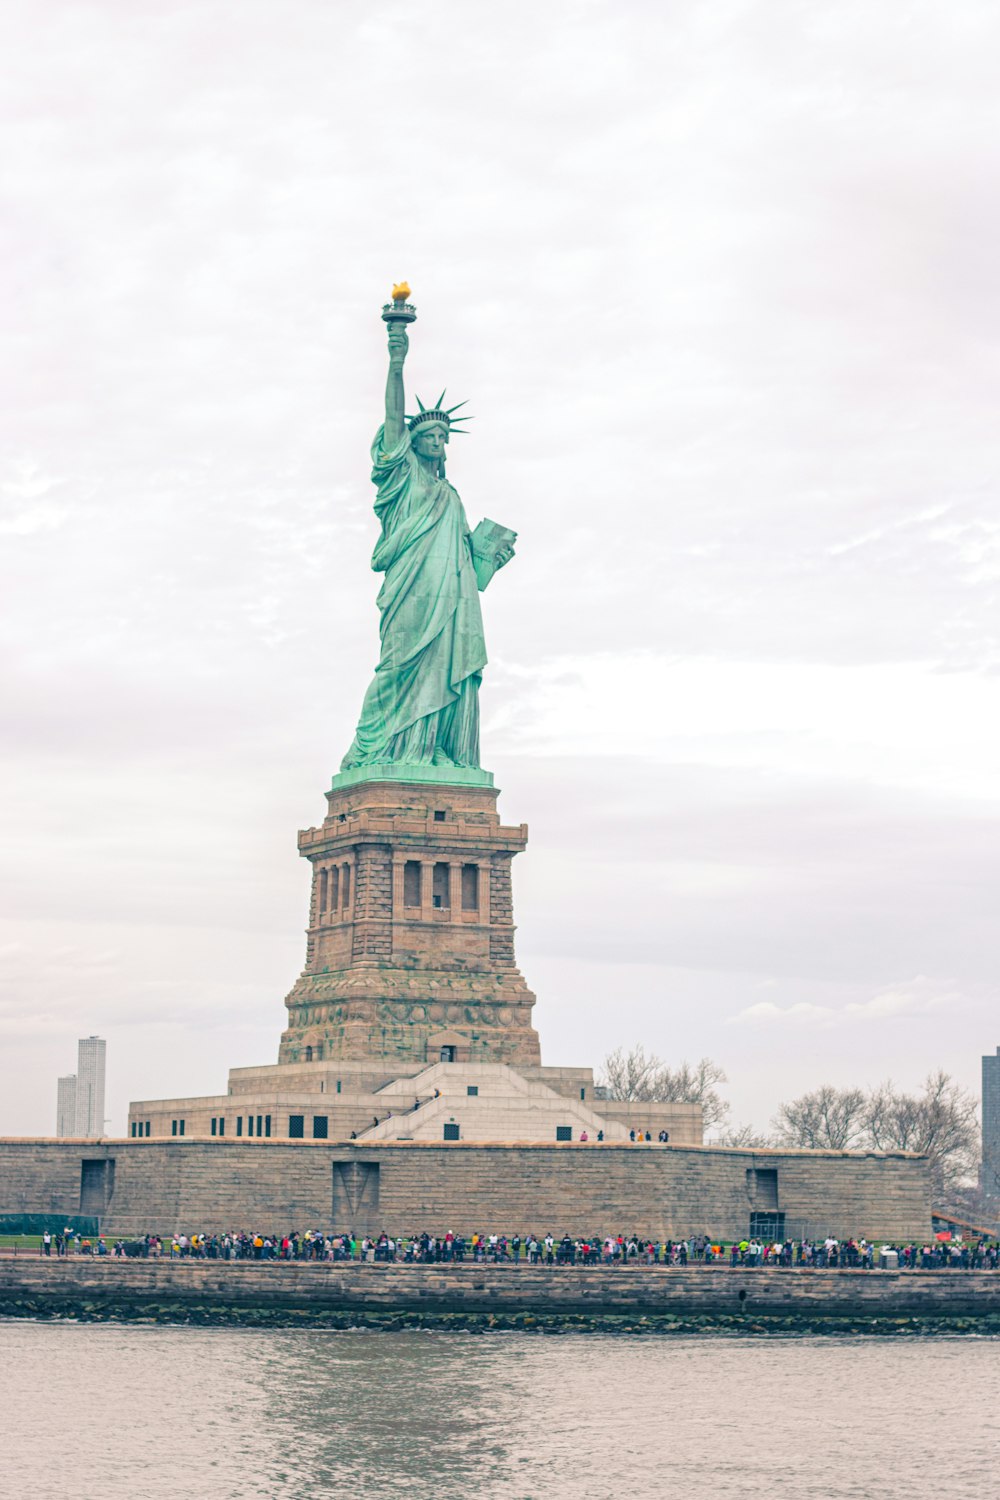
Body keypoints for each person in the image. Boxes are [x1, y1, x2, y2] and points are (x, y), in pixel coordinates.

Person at [340, 312, 514, 772]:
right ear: (412, 443)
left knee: (444, 666)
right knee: (399, 667)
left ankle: (433, 748)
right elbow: (392, 417)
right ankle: (383, 749)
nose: (437, 441)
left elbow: (468, 569)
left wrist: (491, 558)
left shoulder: (451, 496)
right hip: (410, 589)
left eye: (443, 436)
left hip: (453, 597)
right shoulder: (401, 477)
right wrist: (397, 356)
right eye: (429, 436)